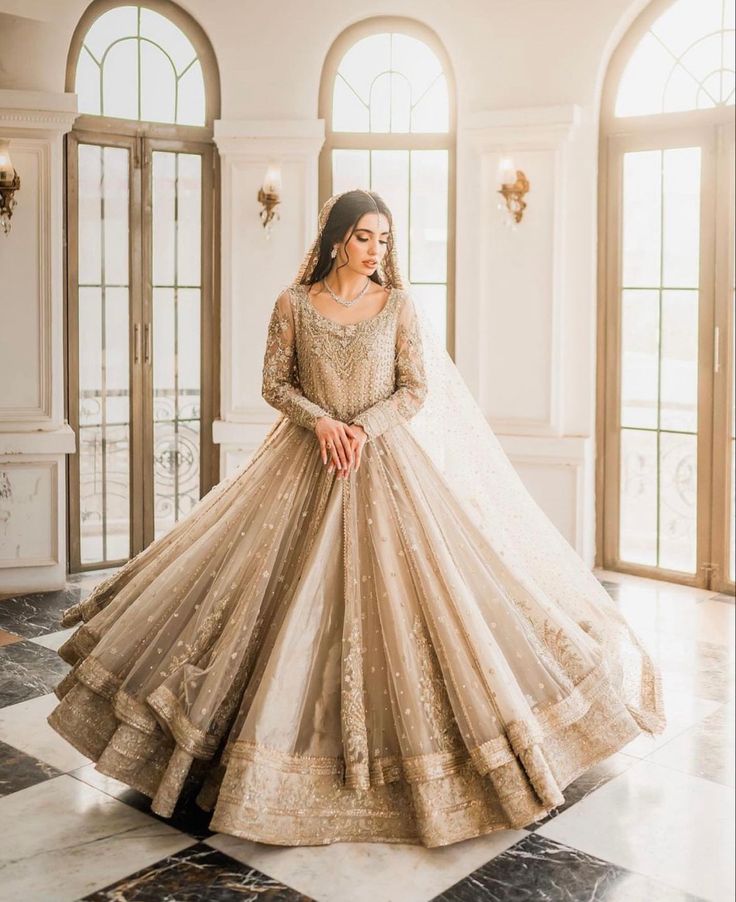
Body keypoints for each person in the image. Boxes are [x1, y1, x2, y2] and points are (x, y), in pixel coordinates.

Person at [47, 189, 666, 848]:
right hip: (303, 459)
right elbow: (273, 383)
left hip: (383, 461)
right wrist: (321, 424)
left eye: (385, 240)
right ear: (338, 238)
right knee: (260, 598)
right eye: (366, 237)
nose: (376, 250)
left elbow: (415, 388)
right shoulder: (292, 304)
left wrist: (361, 429)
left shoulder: (398, 305)